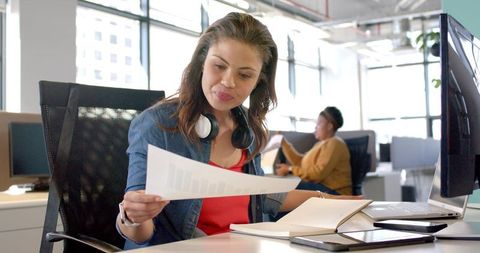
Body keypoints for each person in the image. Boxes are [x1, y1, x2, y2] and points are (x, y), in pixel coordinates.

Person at [116, 13, 357, 250]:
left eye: (244, 75)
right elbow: (140, 233)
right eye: (219, 66)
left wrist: (335, 201)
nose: (229, 82)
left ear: (258, 81)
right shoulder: (157, 125)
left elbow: (258, 198)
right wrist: (133, 217)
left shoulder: (247, 131)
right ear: (202, 62)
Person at [275, 106, 352, 195]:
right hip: (322, 188)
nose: (315, 127)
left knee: (288, 187)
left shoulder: (334, 143)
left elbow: (317, 174)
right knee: (287, 185)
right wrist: (283, 143)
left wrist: (290, 169)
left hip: (335, 192)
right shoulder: (319, 144)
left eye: (319, 124)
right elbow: (300, 162)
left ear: (330, 126)